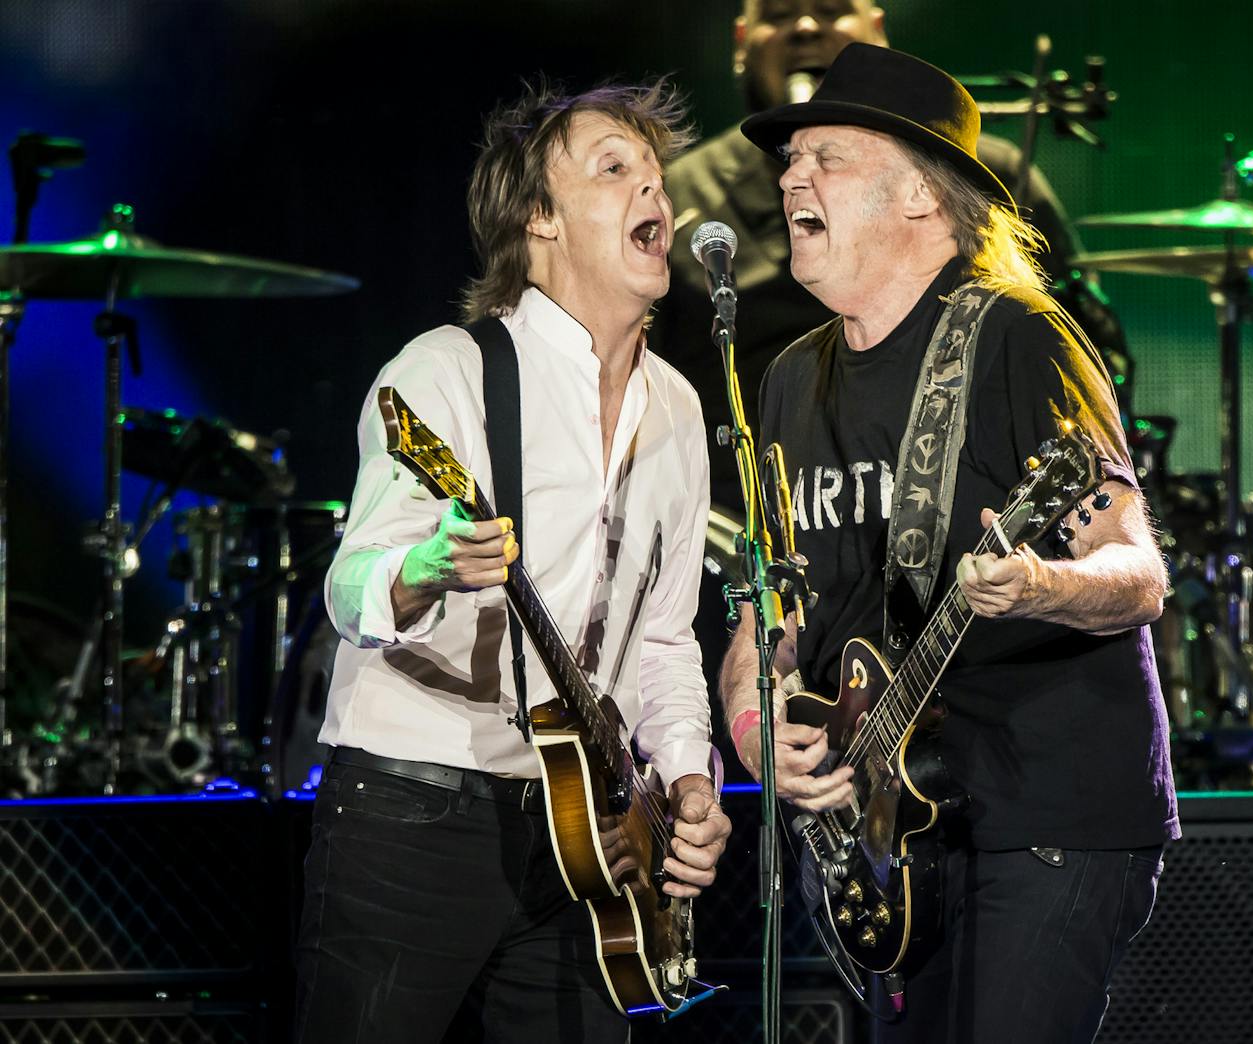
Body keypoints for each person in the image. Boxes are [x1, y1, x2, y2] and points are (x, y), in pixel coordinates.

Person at [719, 44, 1178, 1043]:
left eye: (826, 158)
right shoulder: (788, 381)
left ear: (922, 197)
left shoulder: (1018, 336)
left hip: (1043, 812)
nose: (791, 177)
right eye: (788, 160)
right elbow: (771, 610)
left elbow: (1135, 573)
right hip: (886, 835)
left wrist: (1037, 584)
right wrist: (758, 733)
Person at [293, 80, 731, 1044]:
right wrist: (431, 565)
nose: (654, 195)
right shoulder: (444, 372)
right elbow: (350, 583)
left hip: (591, 838)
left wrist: (689, 782)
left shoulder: (682, 408)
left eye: (657, 177)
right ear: (539, 218)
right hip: (417, 807)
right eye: (615, 170)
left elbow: (664, 637)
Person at [652, 0, 1124, 510]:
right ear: (741, 40)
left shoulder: (1020, 320)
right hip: (735, 524)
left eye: (831, 10)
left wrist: (1040, 576)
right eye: (780, 14)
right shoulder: (680, 198)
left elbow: (1082, 365)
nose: (806, 28)